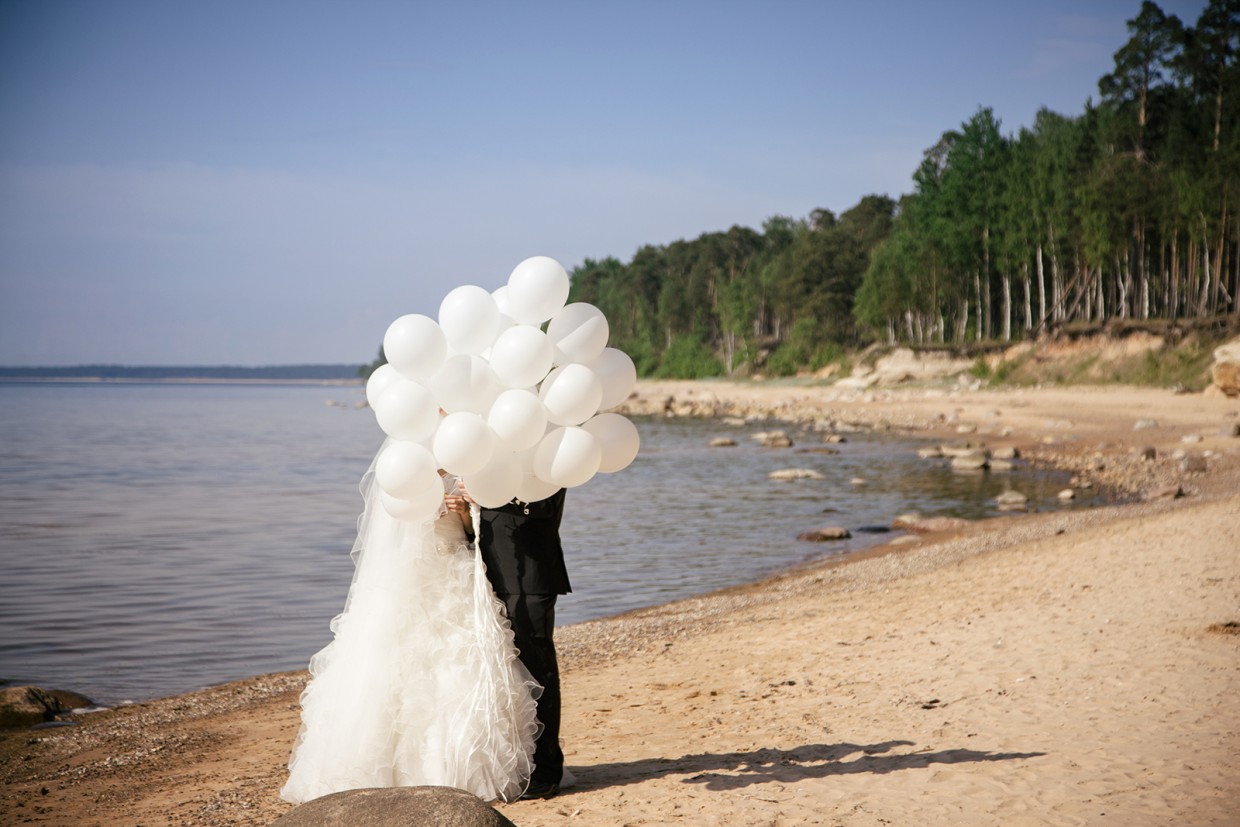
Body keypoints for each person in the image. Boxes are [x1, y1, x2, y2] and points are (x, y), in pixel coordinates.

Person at [280, 447, 541, 805]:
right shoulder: (404, 461)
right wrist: (431, 507)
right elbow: (393, 521)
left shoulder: (464, 456)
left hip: (457, 566)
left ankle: (458, 768)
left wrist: (463, 511)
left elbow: (469, 530)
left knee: (457, 662)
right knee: (401, 664)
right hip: (416, 572)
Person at [450, 484, 569, 800]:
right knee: (503, 676)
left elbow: (544, 507)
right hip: (484, 576)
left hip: (529, 578)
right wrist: (465, 511)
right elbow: (483, 525)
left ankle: (547, 771)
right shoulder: (488, 464)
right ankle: (518, 764)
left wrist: (488, 494)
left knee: (538, 671)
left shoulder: (545, 461)